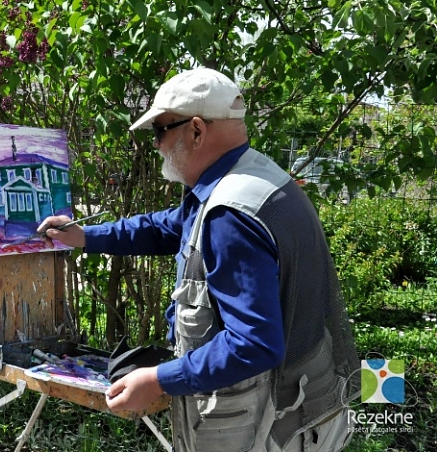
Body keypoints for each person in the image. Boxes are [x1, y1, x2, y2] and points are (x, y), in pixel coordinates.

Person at [40, 68, 360, 452]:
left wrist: (159, 379)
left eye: (160, 131)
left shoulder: (231, 215)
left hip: (267, 423)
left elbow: (254, 345)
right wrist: (86, 236)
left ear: (196, 131)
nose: (156, 145)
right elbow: (169, 227)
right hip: (307, 402)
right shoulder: (254, 177)